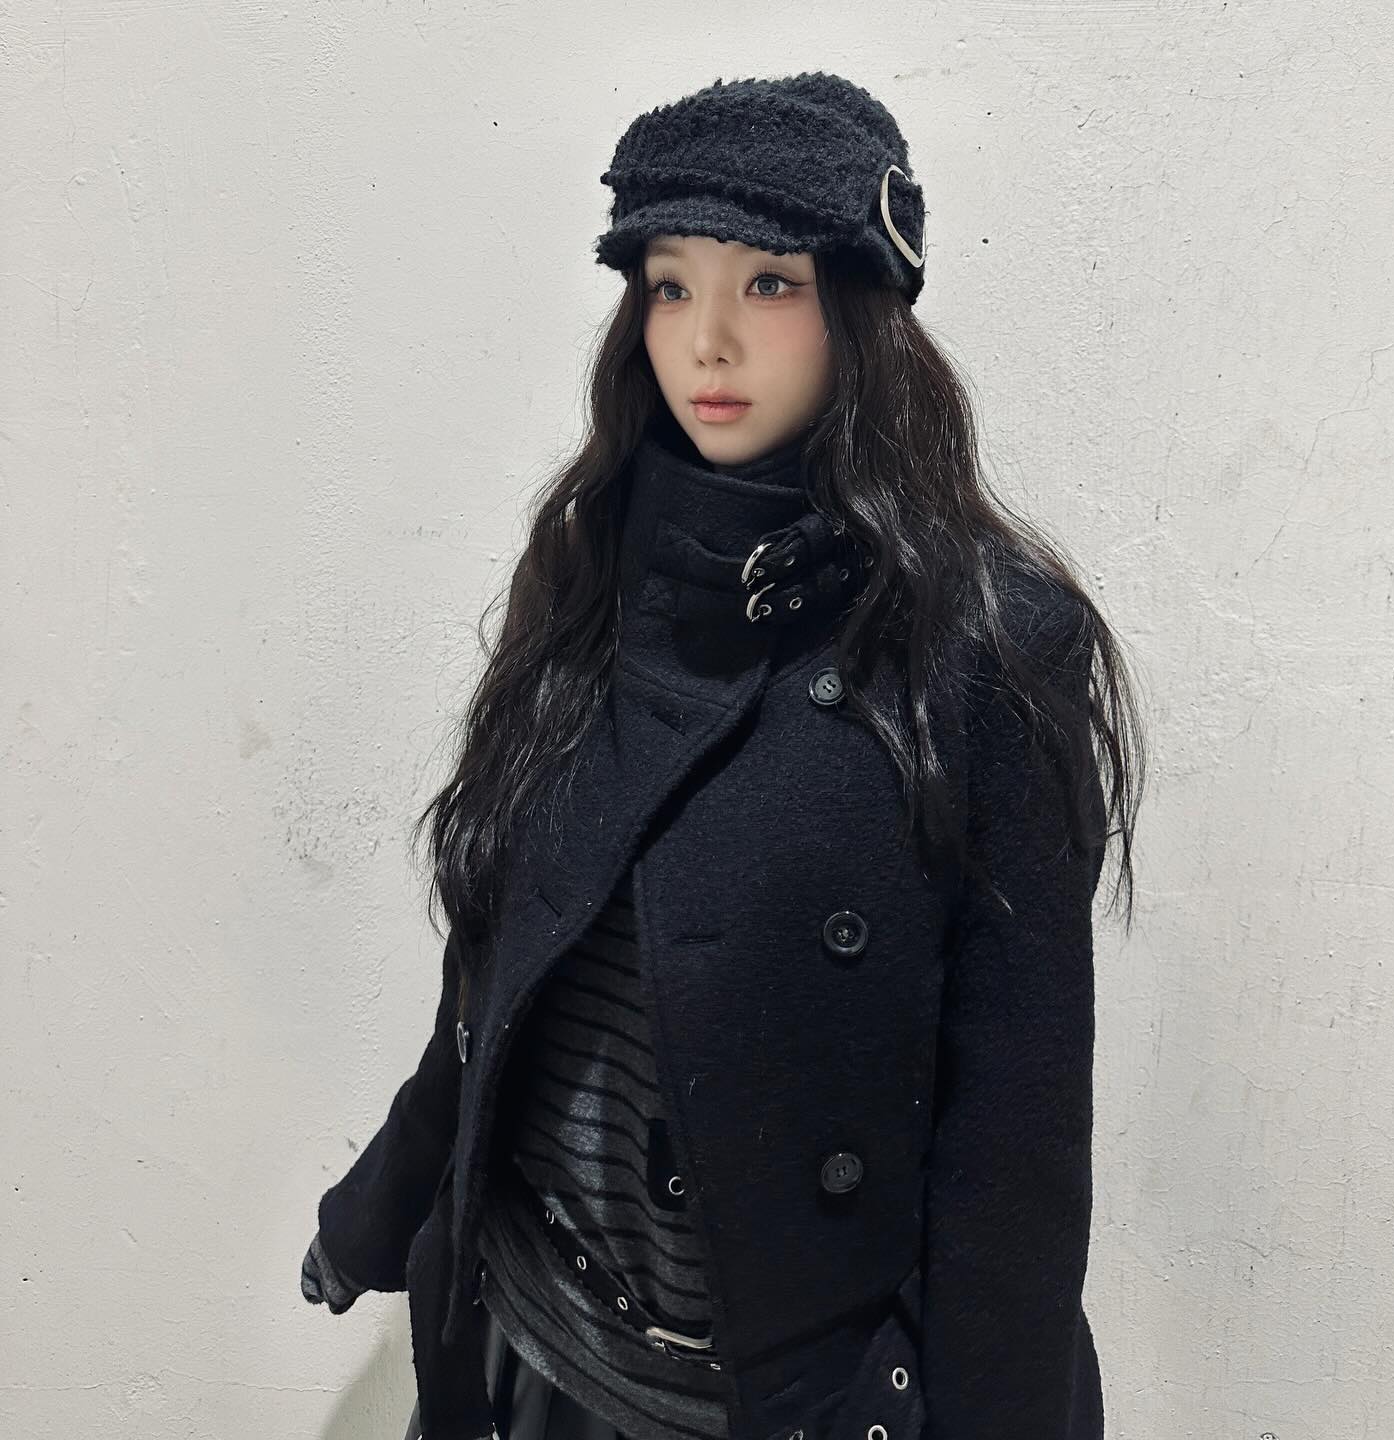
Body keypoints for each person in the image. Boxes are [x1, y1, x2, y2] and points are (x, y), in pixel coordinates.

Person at [302, 69, 1145, 1440]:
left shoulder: (985, 649)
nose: (707, 340)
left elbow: (1015, 1150)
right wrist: (382, 1205)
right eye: (670, 285)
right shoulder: (592, 572)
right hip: (525, 1351)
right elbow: (495, 979)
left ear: (859, 305)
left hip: (785, 1402)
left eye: (767, 284)